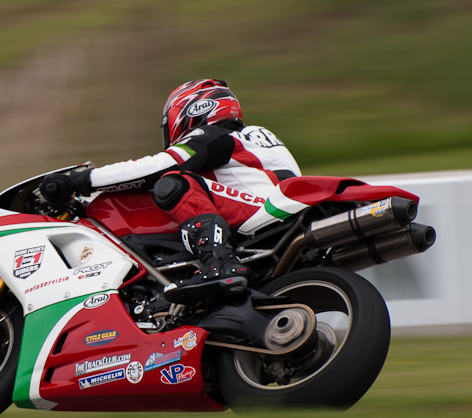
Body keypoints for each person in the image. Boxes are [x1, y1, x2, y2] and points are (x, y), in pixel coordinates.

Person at [39, 79, 301, 303]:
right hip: (275, 209)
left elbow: (157, 167)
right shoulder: (253, 139)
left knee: (173, 182)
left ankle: (219, 261)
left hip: (263, 210)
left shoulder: (215, 134)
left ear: (191, 109)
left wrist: (79, 180)